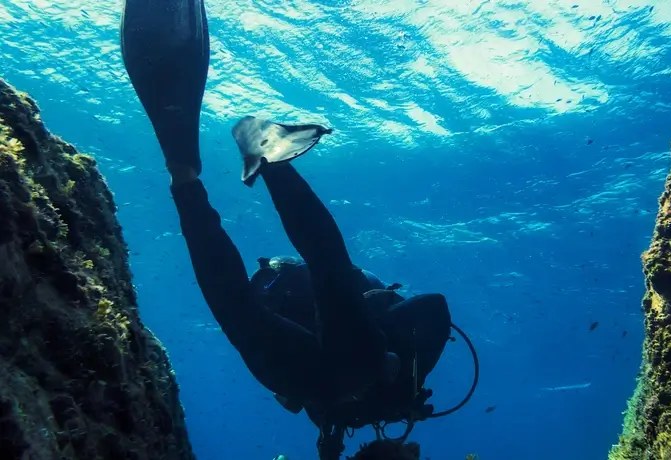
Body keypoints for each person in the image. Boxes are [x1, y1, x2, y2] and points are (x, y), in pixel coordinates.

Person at [119, 1, 467, 458]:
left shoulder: (343, 425)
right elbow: (434, 305)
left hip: (311, 373)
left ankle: (185, 175)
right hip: (351, 354)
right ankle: (265, 160)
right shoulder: (404, 388)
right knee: (327, 284)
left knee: (240, 310)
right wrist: (401, 361)